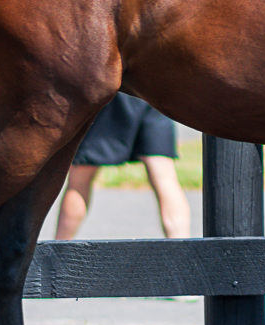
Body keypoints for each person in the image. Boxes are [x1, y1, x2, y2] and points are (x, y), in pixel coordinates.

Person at [54, 92, 192, 240]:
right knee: (165, 177)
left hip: (119, 88)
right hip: (152, 88)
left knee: (80, 177)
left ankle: (58, 250)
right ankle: (183, 248)